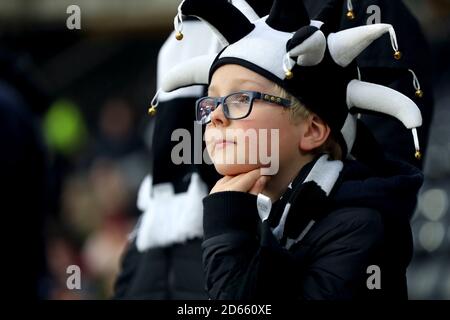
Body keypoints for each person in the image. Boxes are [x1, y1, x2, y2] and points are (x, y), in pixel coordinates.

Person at [157, 0, 425, 299]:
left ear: (312, 130)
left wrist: (228, 228)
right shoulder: (249, 212)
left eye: (240, 99)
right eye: (211, 102)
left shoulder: (361, 229)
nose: (216, 116)